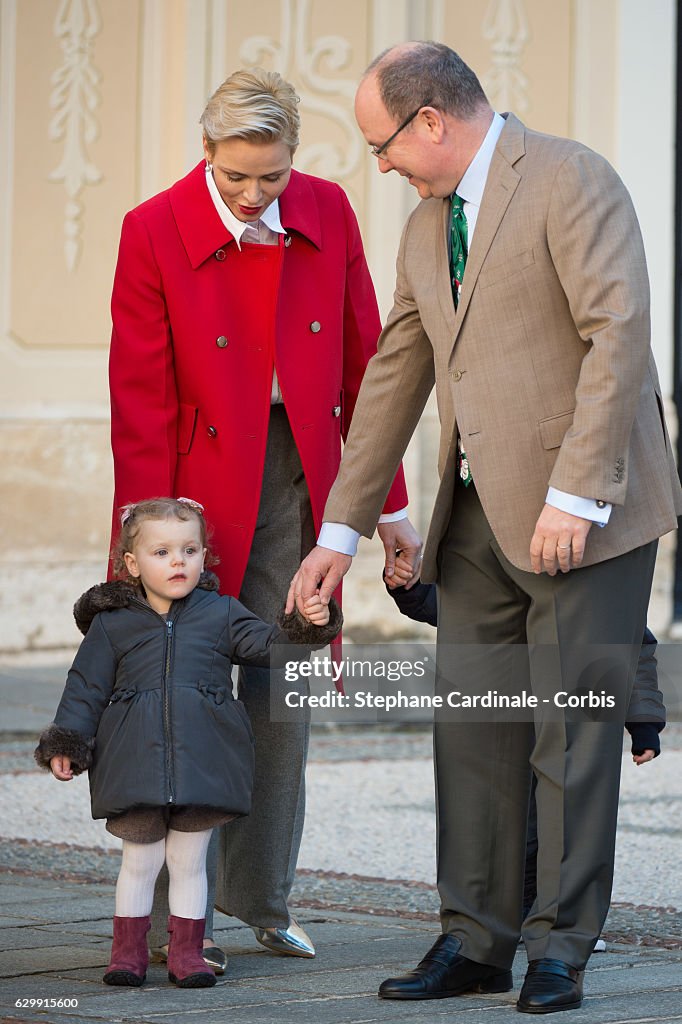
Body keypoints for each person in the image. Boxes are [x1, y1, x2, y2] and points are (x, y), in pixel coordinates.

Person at [288, 41, 682, 1014]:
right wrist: (340, 533)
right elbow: (394, 375)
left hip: (582, 517)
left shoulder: (568, 177)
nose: (376, 164)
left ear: (431, 121)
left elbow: (617, 333)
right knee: (471, 738)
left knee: (570, 737)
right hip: (471, 523)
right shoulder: (426, 228)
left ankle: (560, 947)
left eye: (381, 143)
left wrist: (577, 492)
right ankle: (474, 940)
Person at [107, 67, 415, 966]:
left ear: (294, 160)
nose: (252, 194)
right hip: (191, 491)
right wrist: (145, 533)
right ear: (207, 152)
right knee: (178, 696)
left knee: (285, 690)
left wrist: (386, 507)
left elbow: (369, 368)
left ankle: (264, 901)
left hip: (302, 485)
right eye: (235, 174)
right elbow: (141, 395)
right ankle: (168, 915)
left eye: (271, 176)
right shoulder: (153, 228)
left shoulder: (327, 212)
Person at [34, 498, 341, 989]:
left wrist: (310, 622)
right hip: (133, 761)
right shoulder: (112, 625)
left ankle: (189, 952)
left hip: (205, 762)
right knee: (140, 862)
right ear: (132, 564)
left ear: (204, 556)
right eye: (162, 552)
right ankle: (127, 952)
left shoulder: (221, 613)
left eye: (190, 549)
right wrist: (67, 741)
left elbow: (271, 648)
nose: (178, 561)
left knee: (189, 861)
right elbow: (84, 687)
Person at [384, 569, 666, 928]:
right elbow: (454, 608)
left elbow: (633, 647)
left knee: (563, 824)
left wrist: (643, 727)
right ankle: (513, 911)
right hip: (509, 721)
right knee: (511, 824)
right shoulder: (501, 581)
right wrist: (409, 587)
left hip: (573, 725)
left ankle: (563, 922)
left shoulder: (600, 590)